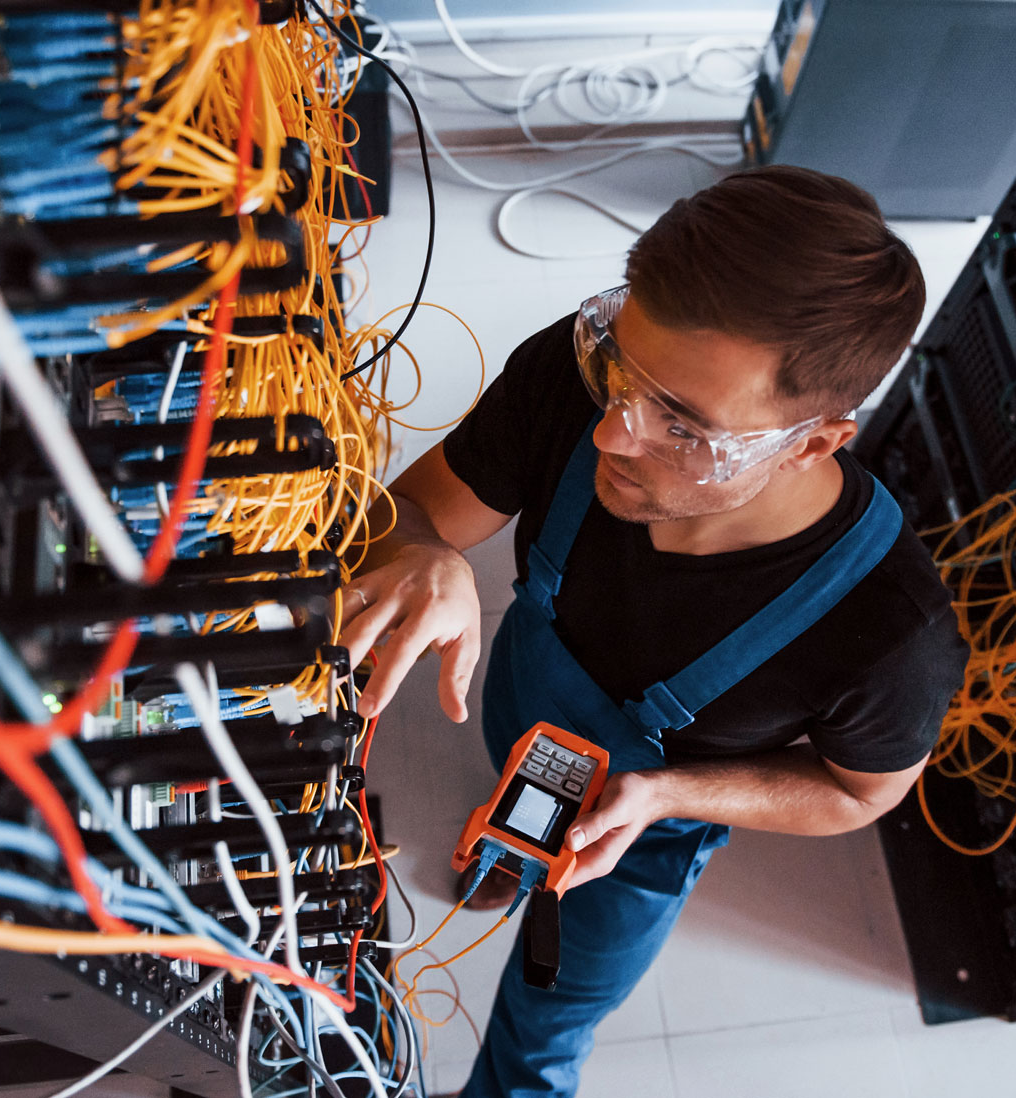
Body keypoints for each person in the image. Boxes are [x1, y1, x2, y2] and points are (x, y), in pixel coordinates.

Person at [339, 164, 969, 1097]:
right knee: (513, 804)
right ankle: (507, 854)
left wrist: (664, 793)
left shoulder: (888, 634)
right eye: (619, 368)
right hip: (527, 706)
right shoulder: (577, 376)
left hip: (642, 834)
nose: (614, 434)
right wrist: (422, 551)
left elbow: (854, 796)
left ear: (812, 442)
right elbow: (418, 509)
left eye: (682, 425)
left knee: (546, 1026)